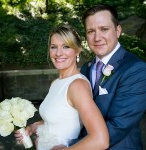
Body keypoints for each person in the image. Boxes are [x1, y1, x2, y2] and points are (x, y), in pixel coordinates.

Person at [14, 24, 109, 150]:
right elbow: (61, 120)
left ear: (77, 50)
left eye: (66, 46)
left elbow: (101, 140)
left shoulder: (77, 86)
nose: (58, 53)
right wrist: (33, 127)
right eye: (54, 47)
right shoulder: (56, 83)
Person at [73, 3, 146, 150]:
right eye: (90, 31)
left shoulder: (136, 69)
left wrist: (71, 147)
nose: (97, 37)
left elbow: (118, 126)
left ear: (118, 30)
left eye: (104, 29)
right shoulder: (86, 68)